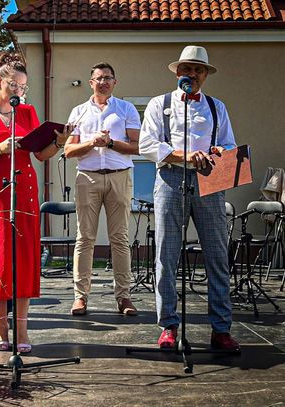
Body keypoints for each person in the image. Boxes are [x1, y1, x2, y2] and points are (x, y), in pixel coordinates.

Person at [0, 52, 72, 353]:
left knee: (21, 259)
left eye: (23, 86)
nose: (19, 91)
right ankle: (1, 330)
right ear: (0, 82)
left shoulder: (29, 113)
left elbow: (41, 155)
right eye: (14, 85)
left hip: (23, 189)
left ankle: (22, 330)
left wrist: (59, 142)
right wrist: (0, 148)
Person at [139, 45, 240, 351]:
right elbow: (146, 144)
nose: (191, 74)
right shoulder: (161, 104)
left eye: (198, 70)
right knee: (166, 256)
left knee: (217, 256)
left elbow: (228, 144)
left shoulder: (216, 106)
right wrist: (183, 154)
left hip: (209, 181)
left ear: (205, 75)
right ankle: (169, 325)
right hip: (171, 179)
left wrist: (220, 151)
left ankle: (220, 329)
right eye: (187, 69)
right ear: (178, 72)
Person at [65, 62, 140, 317]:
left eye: (108, 78)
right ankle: (80, 297)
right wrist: (91, 143)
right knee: (85, 239)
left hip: (119, 176)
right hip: (88, 177)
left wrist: (110, 143)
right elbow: (68, 150)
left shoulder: (126, 109)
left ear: (115, 82)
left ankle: (124, 297)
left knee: (120, 239)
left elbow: (137, 146)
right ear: (91, 83)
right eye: (99, 78)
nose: (103, 82)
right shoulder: (78, 112)